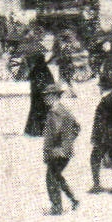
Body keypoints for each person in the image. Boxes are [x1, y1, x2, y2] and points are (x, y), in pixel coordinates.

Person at [41, 81, 80, 215]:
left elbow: (55, 133)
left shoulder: (55, 112)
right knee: (56, 176)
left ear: (55, 96)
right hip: (64, 150)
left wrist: (59, 146)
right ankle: (74, 200)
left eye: (48, 96)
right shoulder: (63, 110)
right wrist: (68, 142)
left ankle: (57, 207)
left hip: (57, 152)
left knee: (51, 178)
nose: (45, 98)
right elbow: (76, 127)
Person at [88, 83, 112, 196]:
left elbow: (99, 121)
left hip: (103, 136)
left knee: (95, 158)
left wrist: (95, 137)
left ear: (103, 88)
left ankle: (96, 185)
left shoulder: (104, 101)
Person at [24, 52, 56, 136]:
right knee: (44, 112)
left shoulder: (36, 70)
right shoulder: (45, 69)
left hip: (37, 96)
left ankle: (34, 131)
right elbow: (50, 82)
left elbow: (31, 79)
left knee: (37, 112)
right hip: (43, 95)